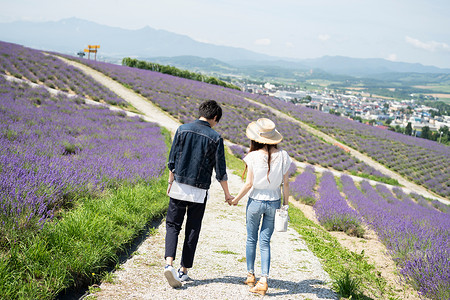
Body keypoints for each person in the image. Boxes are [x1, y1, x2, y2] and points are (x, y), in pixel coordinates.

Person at [164, 100, 234, 288]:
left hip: (179, 186)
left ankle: (168, 264)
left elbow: (172, 160)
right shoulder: (216, 137)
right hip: (199, 191)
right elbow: (220, 171)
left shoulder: (182, 129)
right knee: (192, 229)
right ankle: (183, 270)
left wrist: (170, 182)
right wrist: (227, 195)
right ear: (215, 118)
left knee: (172, 225)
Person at [231, 118, 292, 296]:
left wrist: (236, 199)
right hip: (274, 203)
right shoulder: (284, 156)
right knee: (265, 242)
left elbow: (249, 184)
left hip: (255, 201)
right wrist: (285, 204)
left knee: (251, 239)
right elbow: (286, 184)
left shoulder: (252, 156)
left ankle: (250, 275)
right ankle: (264, 280)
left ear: (256, 138)